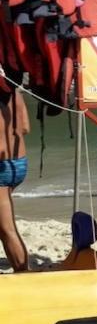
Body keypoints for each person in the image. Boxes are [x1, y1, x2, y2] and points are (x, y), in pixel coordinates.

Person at [0, 89, 29, 272]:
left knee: (7, 230)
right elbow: (25, 127)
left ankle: (24, 273)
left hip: (1, 169)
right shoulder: (14, 92)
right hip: (18, 163)